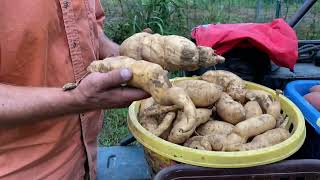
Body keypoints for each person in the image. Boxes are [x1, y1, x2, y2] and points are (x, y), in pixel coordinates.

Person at [0, 0, 149, 179]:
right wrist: (76, 99)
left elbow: (88, 27)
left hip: (83, 160)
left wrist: (120, 56)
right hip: (22, 171)